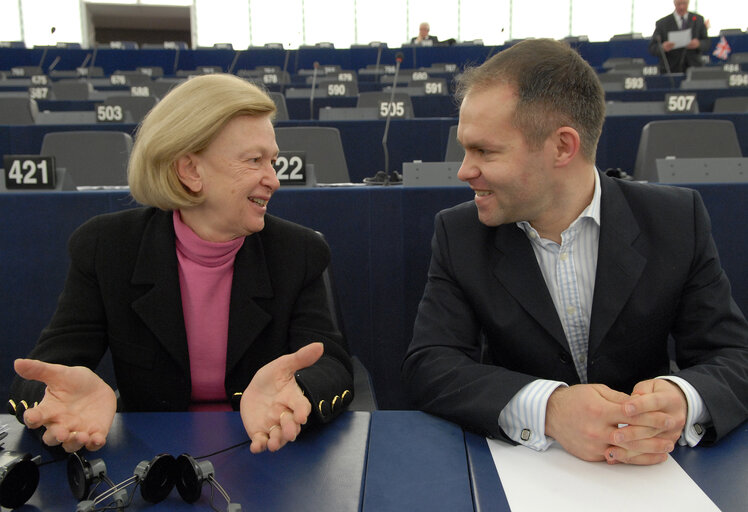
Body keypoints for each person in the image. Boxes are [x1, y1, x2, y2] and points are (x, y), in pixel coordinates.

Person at [402, 39, 748, 466]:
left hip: (653, 472)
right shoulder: (460, 234)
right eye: (465, 149)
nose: (463, 170)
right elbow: (431, 365)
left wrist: (681, 400)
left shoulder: (676, 219)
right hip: (525, 469)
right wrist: (550, 409)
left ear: (563, 147)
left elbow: (733, 355)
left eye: (485, 151)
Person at [9, 73, 354, 455]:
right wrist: (53, 397)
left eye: (273, 161)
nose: (273, 179)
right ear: (190, 171)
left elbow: (331, 365)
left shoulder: (298, 251)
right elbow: (48, 369)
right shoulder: (106, 249)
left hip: (266, 450)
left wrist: (299, 389)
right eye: (254, 160)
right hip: (148, 456)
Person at [648, 0, 709, 73]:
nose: (682, 7)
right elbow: (652, 48)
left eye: (684, 4)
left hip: (694, 68)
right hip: (671, 69)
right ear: (674, 3)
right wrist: (663, 47)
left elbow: (707, 42)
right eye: (679, 4)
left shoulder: (698, 20)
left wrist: (698, 44)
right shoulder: (662, 23)